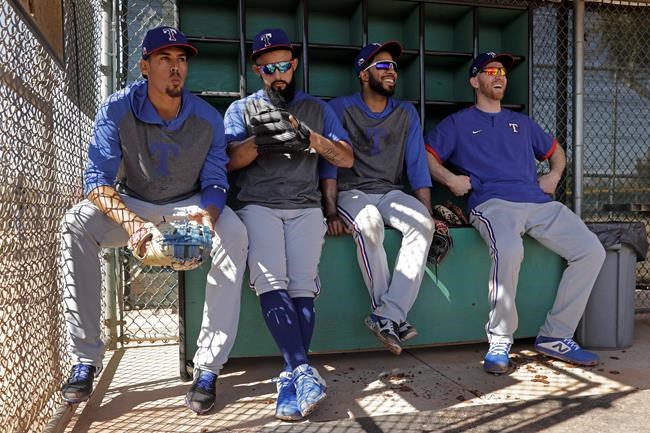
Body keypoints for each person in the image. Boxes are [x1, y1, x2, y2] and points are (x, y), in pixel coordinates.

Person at [59, 26, 249, 414]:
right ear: (145, 66)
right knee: (77, 222)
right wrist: (133, 226)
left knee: (234, 232)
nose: (175, 68)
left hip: (188, 204)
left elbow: (216, 181)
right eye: (165, 59)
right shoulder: (117, 108)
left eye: (181, 60)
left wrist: (208, 216)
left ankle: (208, 368)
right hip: (134, 202)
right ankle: (85, 359)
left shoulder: (207, 118)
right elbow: (96, 180)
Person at [424, 52, 606, 374]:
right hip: (493, 204)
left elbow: (555, 151)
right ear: (474, 80)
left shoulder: (522, 123)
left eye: (503, 72)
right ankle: (500, 339)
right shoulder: (458, 122)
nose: (499, 76)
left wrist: (553, 175)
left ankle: (556, 334)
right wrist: (450, 179)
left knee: (591, 250)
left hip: (538, 202)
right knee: (509, 248)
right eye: (491, 71)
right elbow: (425, 154)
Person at [223, 28, 353, 420]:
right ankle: (302, 370)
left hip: (305, 206)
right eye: (268, 68)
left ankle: (290, 376)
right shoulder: (241, 109)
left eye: (283, 66)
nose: (277, 74)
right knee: (270, 281)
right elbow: (227, 163)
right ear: (257, 70)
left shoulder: (316, 108)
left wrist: (309, 137)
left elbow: (345, 159)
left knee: (302, 286)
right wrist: (258, 143)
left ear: (293, 65)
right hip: (258, 204)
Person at [328, 42, 436, 357]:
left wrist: (429, 213)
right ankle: (388, 315)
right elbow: (329, 162)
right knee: (370, 224)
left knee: (422, 224)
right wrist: (331, 210)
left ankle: (387, 314)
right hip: (352, 190)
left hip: (390, 190)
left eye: (393, 67)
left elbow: (417, 165)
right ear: (364, 74)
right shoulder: (340, 108)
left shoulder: (405, 112)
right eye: (383, 66)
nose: (392, 72)